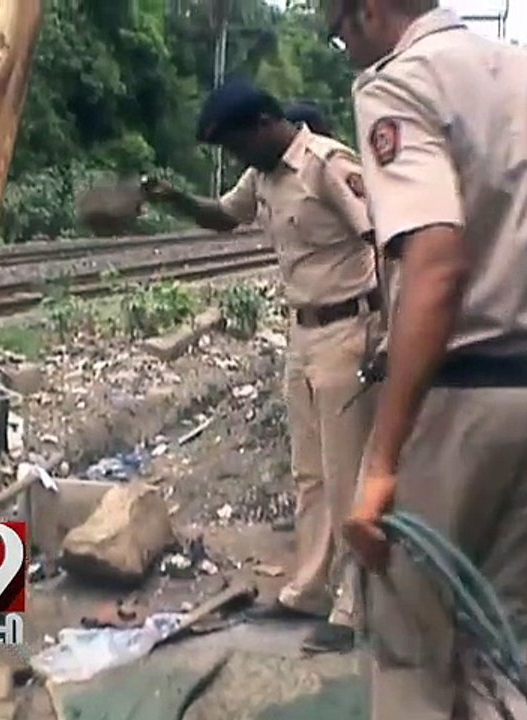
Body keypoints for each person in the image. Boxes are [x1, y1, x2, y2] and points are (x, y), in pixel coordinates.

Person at [324, 0, 527, 717]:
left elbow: (438, 263)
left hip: (460, 402)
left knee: (410, 653)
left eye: (338, 31)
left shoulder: (398, 82)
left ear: (367, 11)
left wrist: (382, 461)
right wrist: (516, 245)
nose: (344, 48)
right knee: (503, 654)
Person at [143, 78, 381, 654]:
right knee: (310, 474)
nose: (236, 158)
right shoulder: (262, 175)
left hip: (349, 329)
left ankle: (355, 607)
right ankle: (311, 588)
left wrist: (391, 332)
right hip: (303, 333)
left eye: (236, 145)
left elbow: (383, 241)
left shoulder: (326, 164)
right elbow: (225, 216)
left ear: (264, 125)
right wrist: (174, 198)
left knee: (347, 475)